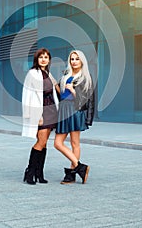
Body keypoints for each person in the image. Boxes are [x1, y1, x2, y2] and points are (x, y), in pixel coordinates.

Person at [54, 50, 95, 184]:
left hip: (75, 111)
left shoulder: (86, 78)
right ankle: (80, 167)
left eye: (77, 59)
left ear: (82, 61)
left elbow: (87, 100)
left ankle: (71, 174)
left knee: (74, 143)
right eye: (72, 59)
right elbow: (62, 95)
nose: (74, 61)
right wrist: (56, 85)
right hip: (64, 110)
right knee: (57, 143)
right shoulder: (66, 75)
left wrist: (73, 90)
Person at [22, 48, 59, 185]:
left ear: (49, 60)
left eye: (46, 57)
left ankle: (39, 173)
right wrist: (31, 115)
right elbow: (27, 95)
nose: (43, 59)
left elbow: (56, 89)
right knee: (41, 142)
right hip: (40, 111)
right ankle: (30, 172)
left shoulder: (48, 74)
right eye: (41, 57)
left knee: (44, 143)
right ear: (36, 59)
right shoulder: (32, 73)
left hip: (51, 111)